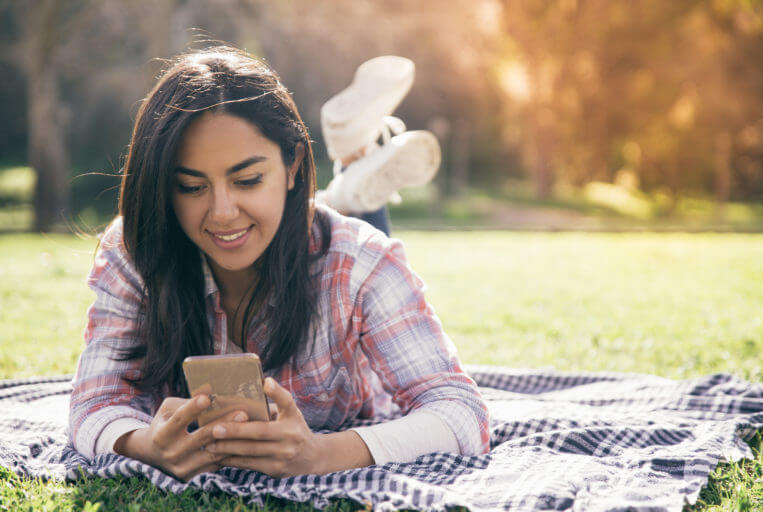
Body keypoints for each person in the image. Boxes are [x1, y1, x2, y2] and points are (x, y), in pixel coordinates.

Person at [68, 46, 489, 482]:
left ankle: (353, 170)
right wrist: (143, 444)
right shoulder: (137, 251)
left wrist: (321, 454)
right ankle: (352, 170)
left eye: (248, 180)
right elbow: (94, 402)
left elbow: (460, 413)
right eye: (192, 187)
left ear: (293, 166)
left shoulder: (361, 263)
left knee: (334, 235)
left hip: (321, 241)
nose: (223, 211)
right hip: (296, 223)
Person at [316, 56, 441, 236]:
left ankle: (342, 190)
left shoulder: (358, 182)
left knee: (351, 198)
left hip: (351, 184)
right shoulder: (364, 182)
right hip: (355, 188)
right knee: (357, 202)